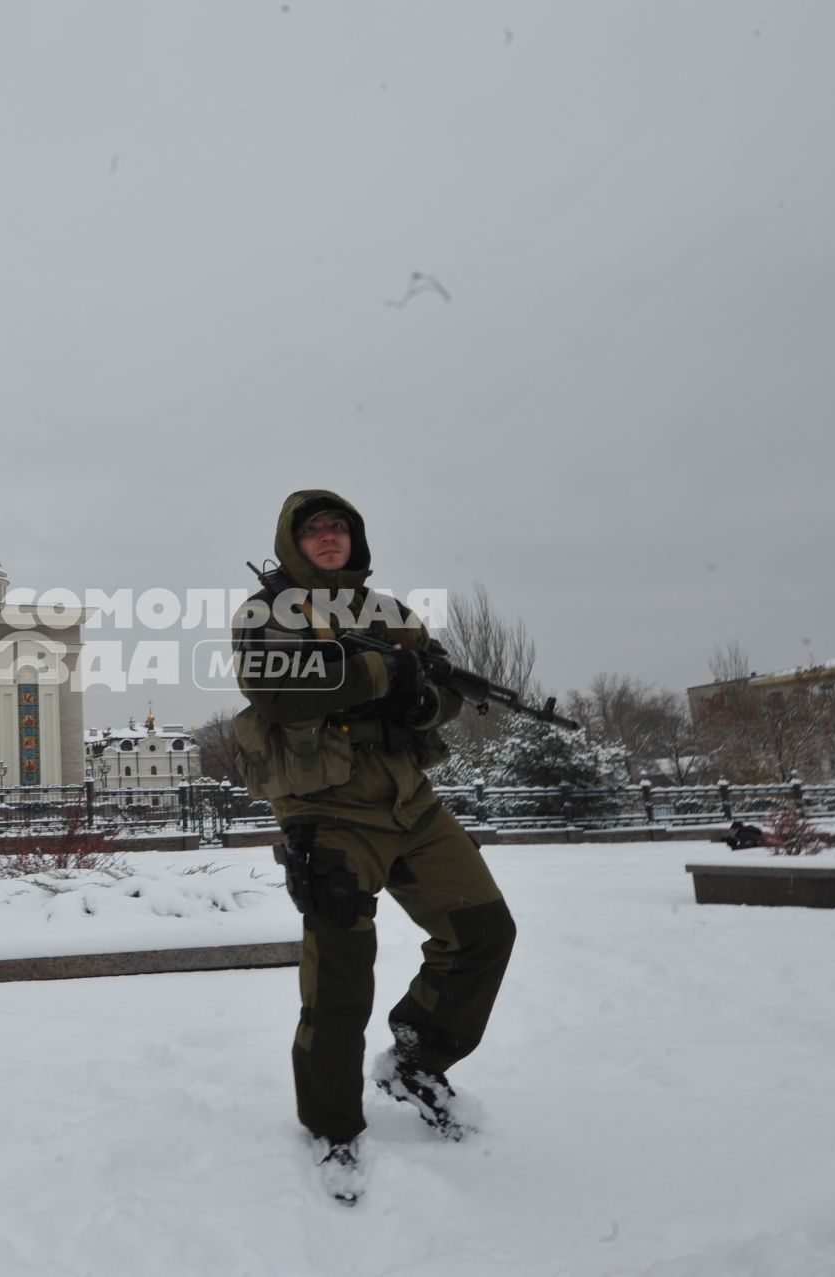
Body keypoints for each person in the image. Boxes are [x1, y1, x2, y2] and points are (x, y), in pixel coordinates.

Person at [232, 489, 518, 1197]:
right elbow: (281, 688)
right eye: (314, 529)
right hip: (326, 808)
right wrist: (388, 675)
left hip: (407, 801)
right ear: (292, 541)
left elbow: (443, 682)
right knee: (340, 974)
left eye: (340, 528)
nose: (328, 537)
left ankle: (417, 1058)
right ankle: (332, 1128)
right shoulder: (267, 612)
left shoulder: (389, 612)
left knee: (483, 929)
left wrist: (423, 697)